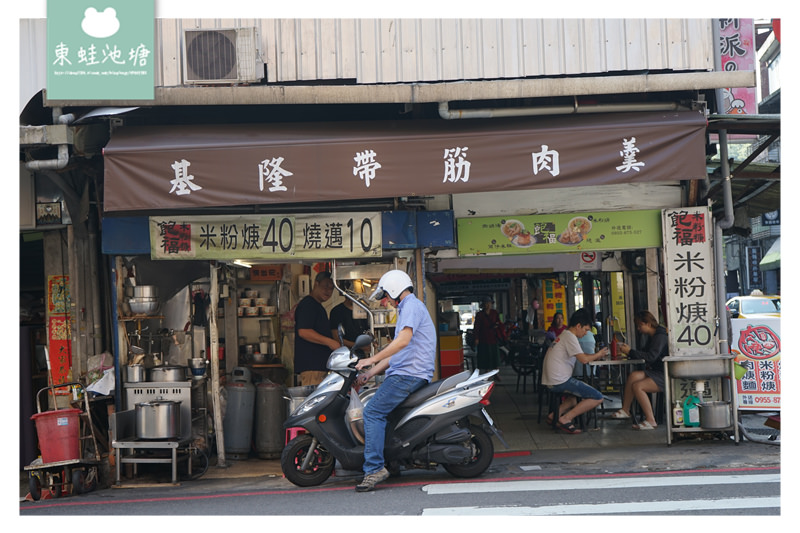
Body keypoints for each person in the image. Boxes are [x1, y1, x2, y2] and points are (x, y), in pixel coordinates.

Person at [353, 270, 436, 492]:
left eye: (387, 296)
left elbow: (402, 342)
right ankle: (394, 461)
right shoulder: (408, 308)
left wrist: (371, 358)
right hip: (408, 373)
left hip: (408, 375)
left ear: (395, 291)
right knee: (386, 414)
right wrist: (370, 372)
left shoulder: (410, 307)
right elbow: (396, 354)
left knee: (371, 412)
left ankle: (373, 468)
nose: (386, 301)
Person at [541, 309, 610, 434]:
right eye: (586, 330)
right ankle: (566, 418)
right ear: (578, 326)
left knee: (576, 396)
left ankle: (554, 415)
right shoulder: (570, 337)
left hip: (550, 380)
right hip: (559, 380)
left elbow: (581, 355)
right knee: (597, 397)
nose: (586, 333)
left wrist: (594, 355)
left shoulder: (564, 335)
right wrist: (598, 354)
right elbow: (583, 359)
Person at [609, 310, 669, 430]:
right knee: (633, 376)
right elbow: (645, 354)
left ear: (648, 324)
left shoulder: (660, 336)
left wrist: (630, 352)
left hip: (664, 373)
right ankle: (626, 410)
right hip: (656, 371)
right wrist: (630, 353)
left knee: (638, 386)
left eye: (640, 325)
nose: (638, 328)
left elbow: (651, 356)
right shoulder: (653, 336)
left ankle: (651, 420)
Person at [293, 271, 340, 387]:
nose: (328, 291)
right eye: (325, 286)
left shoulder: (317, 306)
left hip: (319, 367)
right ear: (316, 284)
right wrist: (330, 342)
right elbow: (303, 331)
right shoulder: (308, 304)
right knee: (315, 403)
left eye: (331, 288)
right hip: (312, 368)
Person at [329, 281, 369, 349]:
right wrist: (358, 346)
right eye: (352, 294)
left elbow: (369, 331)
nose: (356, 297)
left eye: (358, 293)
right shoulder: (337, 311)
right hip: (345, 353)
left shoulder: (364, 310)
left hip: (364, 354)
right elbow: (336, 338)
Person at [473, 296, 505, 376]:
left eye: (489, 303)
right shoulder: (480, 315)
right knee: (485, 356)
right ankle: (487, 373)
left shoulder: (494, 313)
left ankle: (496, 373)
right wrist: (476, 338)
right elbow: (477, 327)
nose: (487, 305)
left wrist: (497, 326)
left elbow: (499, 323)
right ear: (483, 305)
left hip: (493, 338)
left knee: (495, 357)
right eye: (486, 303)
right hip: (483, 338)